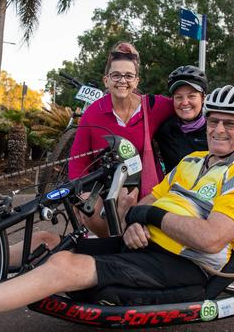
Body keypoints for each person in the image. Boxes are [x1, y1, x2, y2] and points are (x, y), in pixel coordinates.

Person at [0, 85, 234, 331]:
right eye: (214, 121)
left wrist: (148, 217)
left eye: (230, 125)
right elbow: (149, 200)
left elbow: (213, 236)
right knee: (46, 241)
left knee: (64, 266)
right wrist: (135, 217)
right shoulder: (193, 161)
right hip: (147, 245)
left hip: (187, 266)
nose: (218, 129)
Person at [67, 42, 173, 236]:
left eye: (128, 76)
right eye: (116, 75)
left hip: (144, 185)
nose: (122, 80)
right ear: (106, 80)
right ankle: (112, 243)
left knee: (127, 198)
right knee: (88, 208)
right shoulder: (93, 113)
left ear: (137, 80)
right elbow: (78, 160)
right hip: (106, 183)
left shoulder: (152, 106)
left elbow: (186, 105)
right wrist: (79, 193)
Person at [155, 65, 209, 173]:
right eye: (179, 97)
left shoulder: (214, 130)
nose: (184, 102)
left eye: (191, 96)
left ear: (203, 98)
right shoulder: (164, 130)